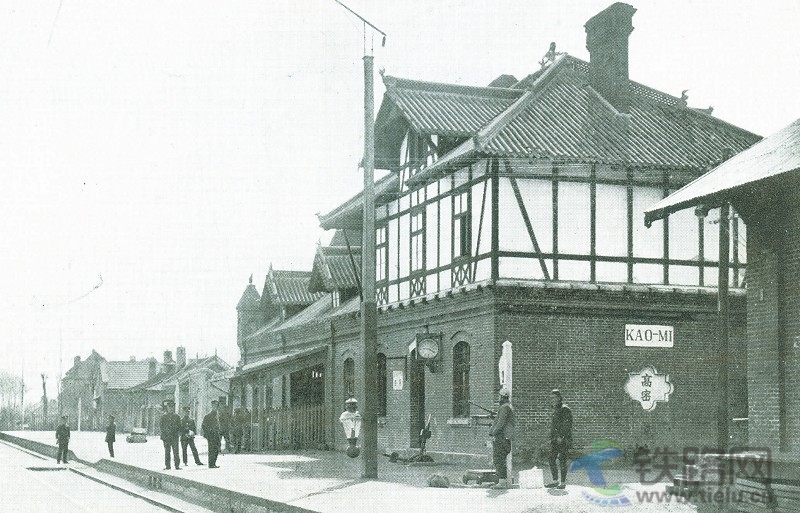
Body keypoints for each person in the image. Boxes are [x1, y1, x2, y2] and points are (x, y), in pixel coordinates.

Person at [545, 389, 573, 490]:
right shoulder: (555, 409)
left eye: (554, 398)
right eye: (551, 398)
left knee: (562, 460)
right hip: (555, 439)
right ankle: (555, 481)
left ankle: (563, 482)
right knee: (551, 458)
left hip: (563, 439)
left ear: (559, 398)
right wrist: (552, 438)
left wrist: (561, 437)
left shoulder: (565, 409)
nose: (552, 400)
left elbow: (567, 425)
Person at [488, 388, 514, 489]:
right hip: (504, 437)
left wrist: (493, 433)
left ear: (502, 397)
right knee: (500, 459)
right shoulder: (507, 407)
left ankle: (502, 482)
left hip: (502, 437)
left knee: (499, 459)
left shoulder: (504, 407)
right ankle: (501, 480)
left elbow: (500, 423)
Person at [160, 400, 182, 470]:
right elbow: (161, 427)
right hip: (166, 437)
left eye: (172, 407)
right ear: (167, 408)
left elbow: (180, 426)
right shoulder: (163, 417)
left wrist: (178, 432)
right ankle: (168, 466)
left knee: (176, 452)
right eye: (169, 407)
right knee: (167, 452)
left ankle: (177, 465)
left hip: (174, 437)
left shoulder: (177, 417)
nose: (171, 409)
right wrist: (164, 435)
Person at [202, 400, 222, 468]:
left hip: (217, 434)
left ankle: (214, 463)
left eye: (216, 406)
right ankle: (211, 464)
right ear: (212, 406)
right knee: (211, 449)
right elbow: (204, 426)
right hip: (211, 435)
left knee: (216, 449)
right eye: (214, 406)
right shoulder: (208, 416)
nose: (215, 408)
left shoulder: (218, 416)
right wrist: (209, 433)